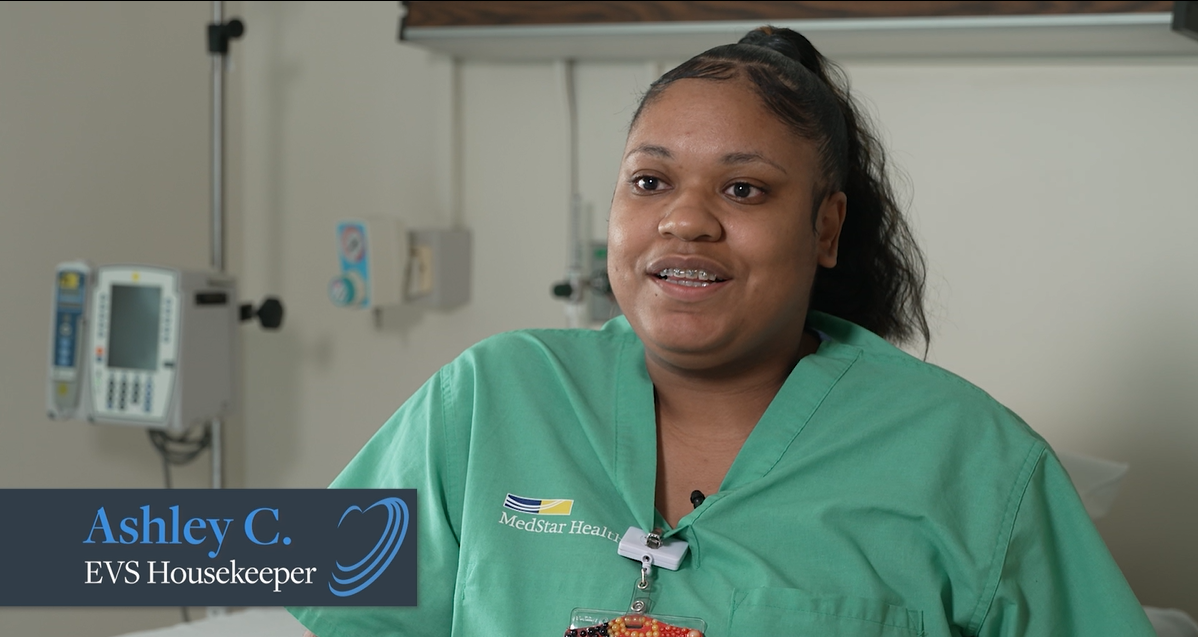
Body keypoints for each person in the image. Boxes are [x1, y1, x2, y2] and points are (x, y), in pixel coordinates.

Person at [291, 26, 1156, 637]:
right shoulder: (490, 397)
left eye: (743, 190)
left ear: (826, 229)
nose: (685, 221)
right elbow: (300, 585)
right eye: (649, 181)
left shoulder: (973, 462)